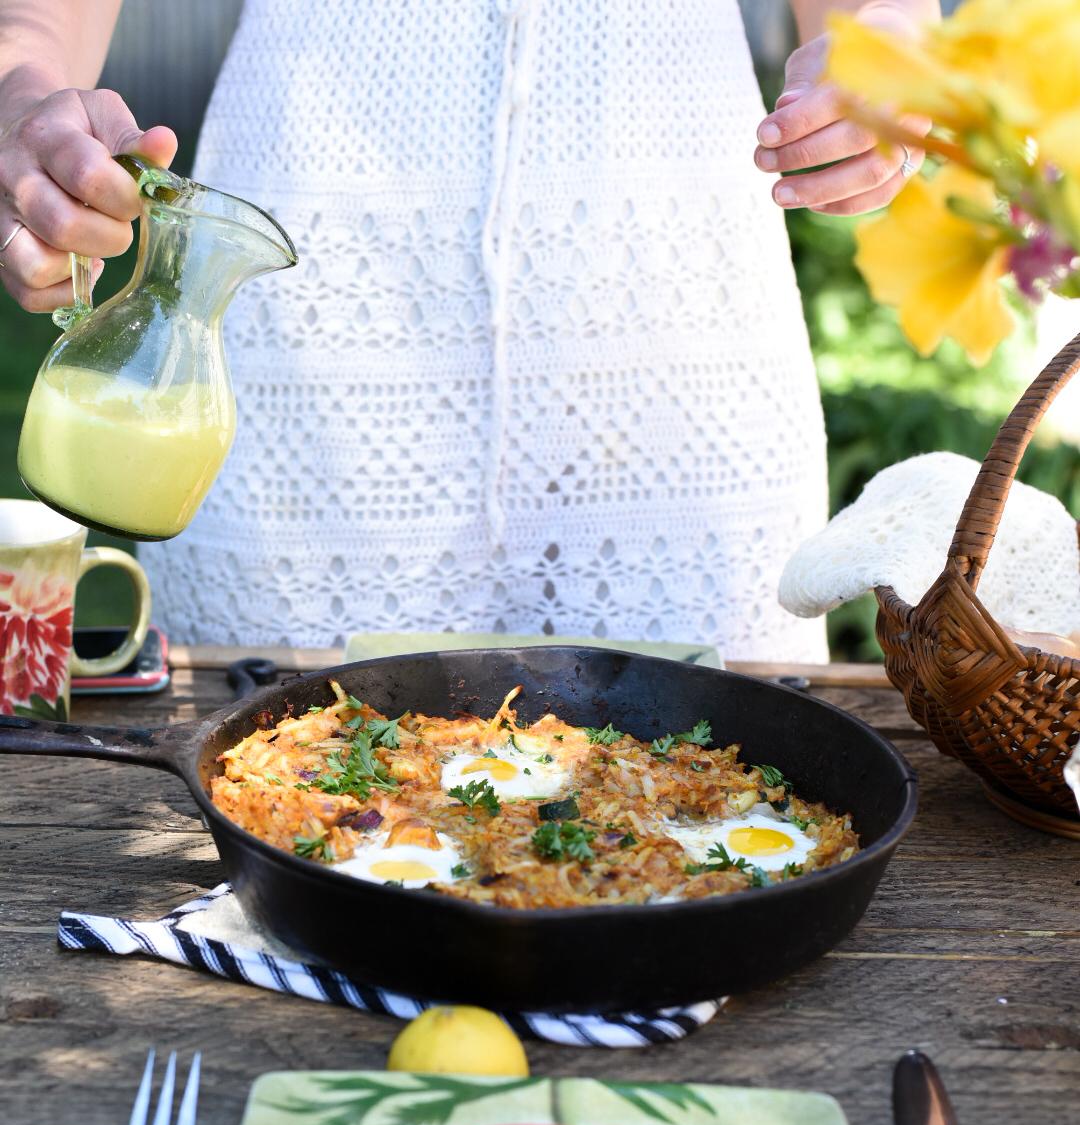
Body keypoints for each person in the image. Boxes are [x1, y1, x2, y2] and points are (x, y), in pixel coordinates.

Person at [0, 0, 938, 654]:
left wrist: (887, 44)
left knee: (714, 834)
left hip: (679, 328)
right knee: (281, 827)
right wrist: (22, 102)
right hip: (314, 333)